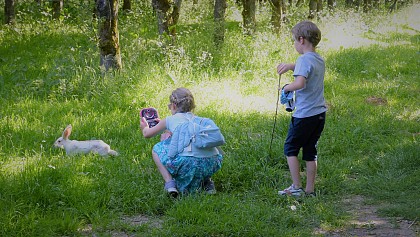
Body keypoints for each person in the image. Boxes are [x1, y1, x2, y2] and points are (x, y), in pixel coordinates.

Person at [140, 87, 223, 197]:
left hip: (187, 164)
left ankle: (170, 184)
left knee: (157, 149)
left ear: (173, 106)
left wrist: (144, 127)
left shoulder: (169, 120)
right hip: (212, 163)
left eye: (170, 106)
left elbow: (147, 134)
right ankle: (207, 183)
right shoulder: (200, 120)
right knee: (201, 148)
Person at [276, 20, 327, 197]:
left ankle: (296, 187)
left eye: (294, 41)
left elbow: (301, 82)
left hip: (304, 115)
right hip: (319, 113)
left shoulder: (303, 59)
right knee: (310, 150)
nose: (295, 45)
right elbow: (308, 71)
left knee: (290, 148)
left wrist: (286, 87)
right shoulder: (318, 59)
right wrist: (291, 66)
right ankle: (310, 190)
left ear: (301, 40)